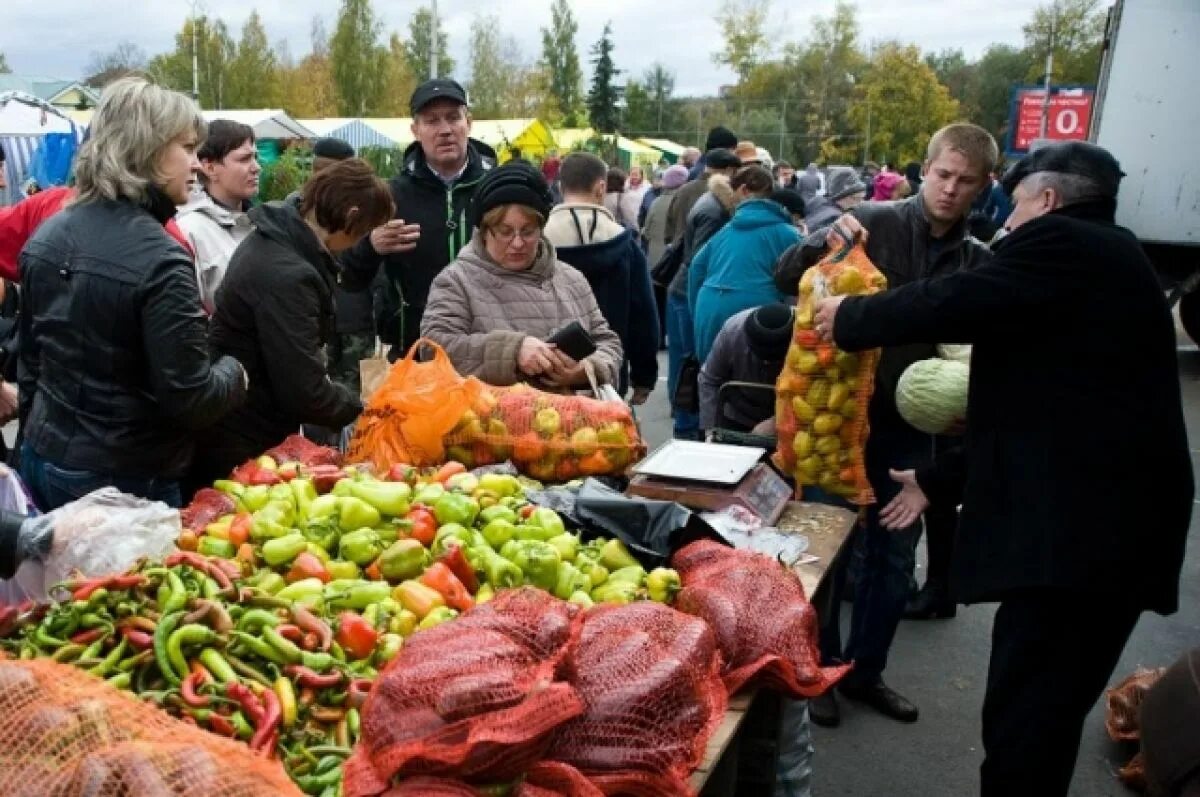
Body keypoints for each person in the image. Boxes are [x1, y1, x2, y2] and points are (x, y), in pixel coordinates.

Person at [813, 140, 1192, 797]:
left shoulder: (1067, 246)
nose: (1006, 223)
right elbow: (1053, 416)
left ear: (1045, 200)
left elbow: (953, 298)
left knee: (1025, 723)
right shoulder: (1109, 261)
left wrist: (849, 316)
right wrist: (939, 478)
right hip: (1105, 542)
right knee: (1038, 717)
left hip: (1078, 551)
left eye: (1011, 205)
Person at [776, 123, 998, 727]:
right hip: (836, 415)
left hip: (907, 431)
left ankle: (865, 671)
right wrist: (818, 242)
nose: (950, 190)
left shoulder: (980, 261)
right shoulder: (872, 221)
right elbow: (784, 279)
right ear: (924, 169)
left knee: (894, 558)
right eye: (942, 175)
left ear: (984, 186)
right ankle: (817, 670)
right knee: (826, 550)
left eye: (965, 181)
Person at [17, 78, 247, 510]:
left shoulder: (48, 234)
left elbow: (31, 363)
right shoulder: (162, 258)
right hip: (122, 477)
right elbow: (191, 398)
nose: (196, 164)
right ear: (149, 150)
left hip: (47, 456)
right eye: (186, 148)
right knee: (110, 579)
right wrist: (238, 370)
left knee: (58, 578)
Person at [195, 159, 394, 483]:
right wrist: (365, 407)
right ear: (351, 217)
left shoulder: (275, 238)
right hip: (245, 437)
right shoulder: (289, 276)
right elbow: (304, 390)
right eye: (363, 233)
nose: (358, 243)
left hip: (240, 419)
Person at [421, 163, 623, 390]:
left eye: (528, 231)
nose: (517, 243)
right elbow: (433, 347)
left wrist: (585, 370)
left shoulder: (571, 279)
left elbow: (607, 341)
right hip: (488, 420)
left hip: (572, 420)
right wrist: (513, 350)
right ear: (484, 230)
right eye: (505, 232)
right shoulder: (456, 281)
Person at [340, 78, 497, 360]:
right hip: (413, 354)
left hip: (489, 351)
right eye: (432, 121)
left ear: (468, 123)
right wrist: (370, 246)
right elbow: (348, 276)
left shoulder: (498, 189)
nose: (445, 130)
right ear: (416, 130)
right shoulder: (390, 196)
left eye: (453, 118)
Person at [543, 152, 659, 402]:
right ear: (601, 187)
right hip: (606, 371)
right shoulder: (625, 245)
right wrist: (644, 377)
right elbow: (643, 315)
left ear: (561, 187)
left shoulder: (537, 242)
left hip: (547, 372)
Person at [665, 149, 742, 439]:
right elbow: (700, 260)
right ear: (729, 173)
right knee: (694, 364)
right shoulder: (715, 209)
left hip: (682, 289)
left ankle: (685, 426)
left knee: (686, 363)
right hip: (688, 292)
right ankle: (688, 431)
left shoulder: (703, 198)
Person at [689, 165, 798, 362]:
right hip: (758, 314)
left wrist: (697, 314)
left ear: (744, 190)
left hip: (710, 307)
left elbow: (696, 269)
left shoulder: (725, 231)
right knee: (754, 383)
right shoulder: (788, 234)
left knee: (711, 379)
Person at [296, 137, 376, 399]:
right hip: (325, 317)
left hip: (353, 316)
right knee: (333, 394)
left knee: (349, 393)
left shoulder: (295, 206)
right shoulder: (296, 208)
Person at [176, 119, 260, 313]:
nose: (256, 167)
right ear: (210, 168)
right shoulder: (189, 231)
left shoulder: (262, 223)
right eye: (244, 159)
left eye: (255, 157)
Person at [698, 303, 792, 434]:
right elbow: (709, 380)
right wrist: (710, 431)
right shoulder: (732, 332)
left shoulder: (809, 340)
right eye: (761, 359)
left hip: (789, 417)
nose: (766, 364)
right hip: (739, 413)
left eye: (773, 362)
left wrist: (777, 420)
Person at [643, 164, 689, 266]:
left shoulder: (656, 202)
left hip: (655, 259)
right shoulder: (686, 202)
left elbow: (647, 231)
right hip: (676, 261)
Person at [803, 167, 866, 232]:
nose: (858, 204)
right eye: (857, 199)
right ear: (844, 195)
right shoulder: (837, 218)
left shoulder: (817, 200)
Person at [619, 166, 649, 231]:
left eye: (636, 175)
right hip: (626, 224)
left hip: (640, 224)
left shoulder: (647, 187)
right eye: (632, 174)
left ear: (641, 176)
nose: (634, 177)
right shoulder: (624, 187)